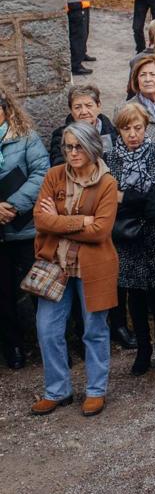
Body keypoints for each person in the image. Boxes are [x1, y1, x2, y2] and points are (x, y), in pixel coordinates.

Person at [29, 123, 117, 417]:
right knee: (47, 328)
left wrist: (61, 223)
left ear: (92, 146)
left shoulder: (106, 183)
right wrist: (81, 222)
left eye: (78, 146)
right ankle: (57, 390)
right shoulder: (54, 175)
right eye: (68, 146)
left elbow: (100, 231)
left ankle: (95, 391)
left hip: (94, 266)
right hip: (55, 264)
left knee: (94, 330)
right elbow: (41, 221)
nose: (73, 152)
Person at [106, 102, 155, 376]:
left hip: (154, 232)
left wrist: (126, 196)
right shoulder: (109, 159)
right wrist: (128, 199)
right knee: (134, 295)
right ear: (118, 130)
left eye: (138, 128)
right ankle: (143, 350)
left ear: (146, 127)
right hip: (125, 235)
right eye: (126, 128)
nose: (132, 134)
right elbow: (109, 200)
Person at [0, 88, 50, 370]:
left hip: (26, 227)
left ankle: (50, 343)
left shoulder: (26, 136)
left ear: (6, 109)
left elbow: (42, 172)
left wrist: (12, 205)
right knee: (3, 294)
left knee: (39, 289)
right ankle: (13, 347)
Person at [49, 85, 116, 167]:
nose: (84, 112)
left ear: (98, 106)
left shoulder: (113, 132)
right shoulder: (60, 136)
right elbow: (59, 165)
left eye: (89, 106)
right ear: (71, 111)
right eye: (77, 107)